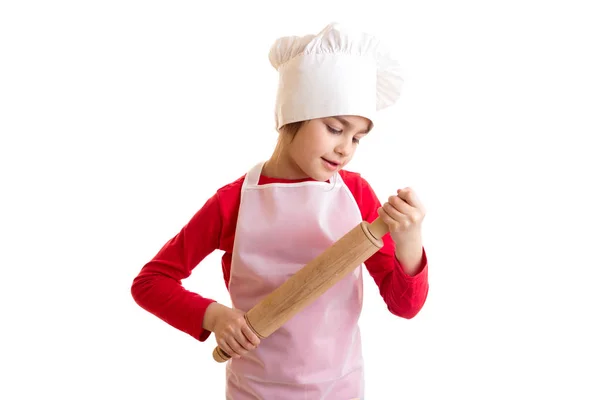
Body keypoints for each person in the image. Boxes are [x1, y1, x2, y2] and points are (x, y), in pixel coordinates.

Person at [131, 22, 429, 400]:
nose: (345, 149)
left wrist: (409, 241)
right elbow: (151, 282)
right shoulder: (233, 201)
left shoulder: (356, 194)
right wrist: (216, 317)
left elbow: (405, 306)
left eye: (356, 137)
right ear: (292, 117)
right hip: (256, 389)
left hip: (340, 388)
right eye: (335, 128)